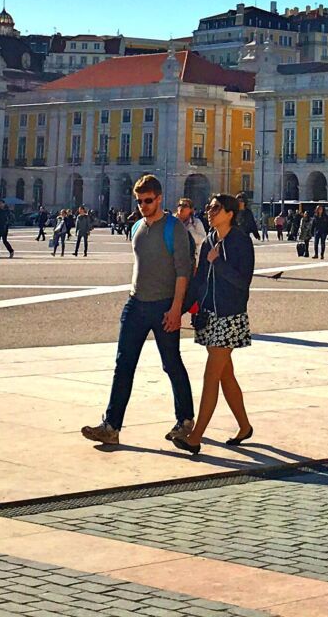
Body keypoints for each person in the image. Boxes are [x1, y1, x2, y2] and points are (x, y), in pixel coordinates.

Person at [80, 176, 196, 448]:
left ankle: (185, 420)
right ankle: (111, 426)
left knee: (171, 364)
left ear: (159, 199)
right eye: (139, 201)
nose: (143, 206)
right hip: (135, 304)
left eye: (148, 201)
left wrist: (176, 309)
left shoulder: (174, 228)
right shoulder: (136, 228)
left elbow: (183, 271)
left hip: (164, 305)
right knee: (123, 365)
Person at [174, 193, 256, 454]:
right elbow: (199, 280)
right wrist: (182, 308)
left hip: (230, 315)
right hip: (210, 315)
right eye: (209, 207)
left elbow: (243, 281)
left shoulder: (240, 241)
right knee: (225, 375)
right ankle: (244, 427)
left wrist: (217, 262)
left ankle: (195, 437)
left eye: (216, 208)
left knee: (212, 375)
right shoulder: (210, 239)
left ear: (230, 213)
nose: (210, 212)